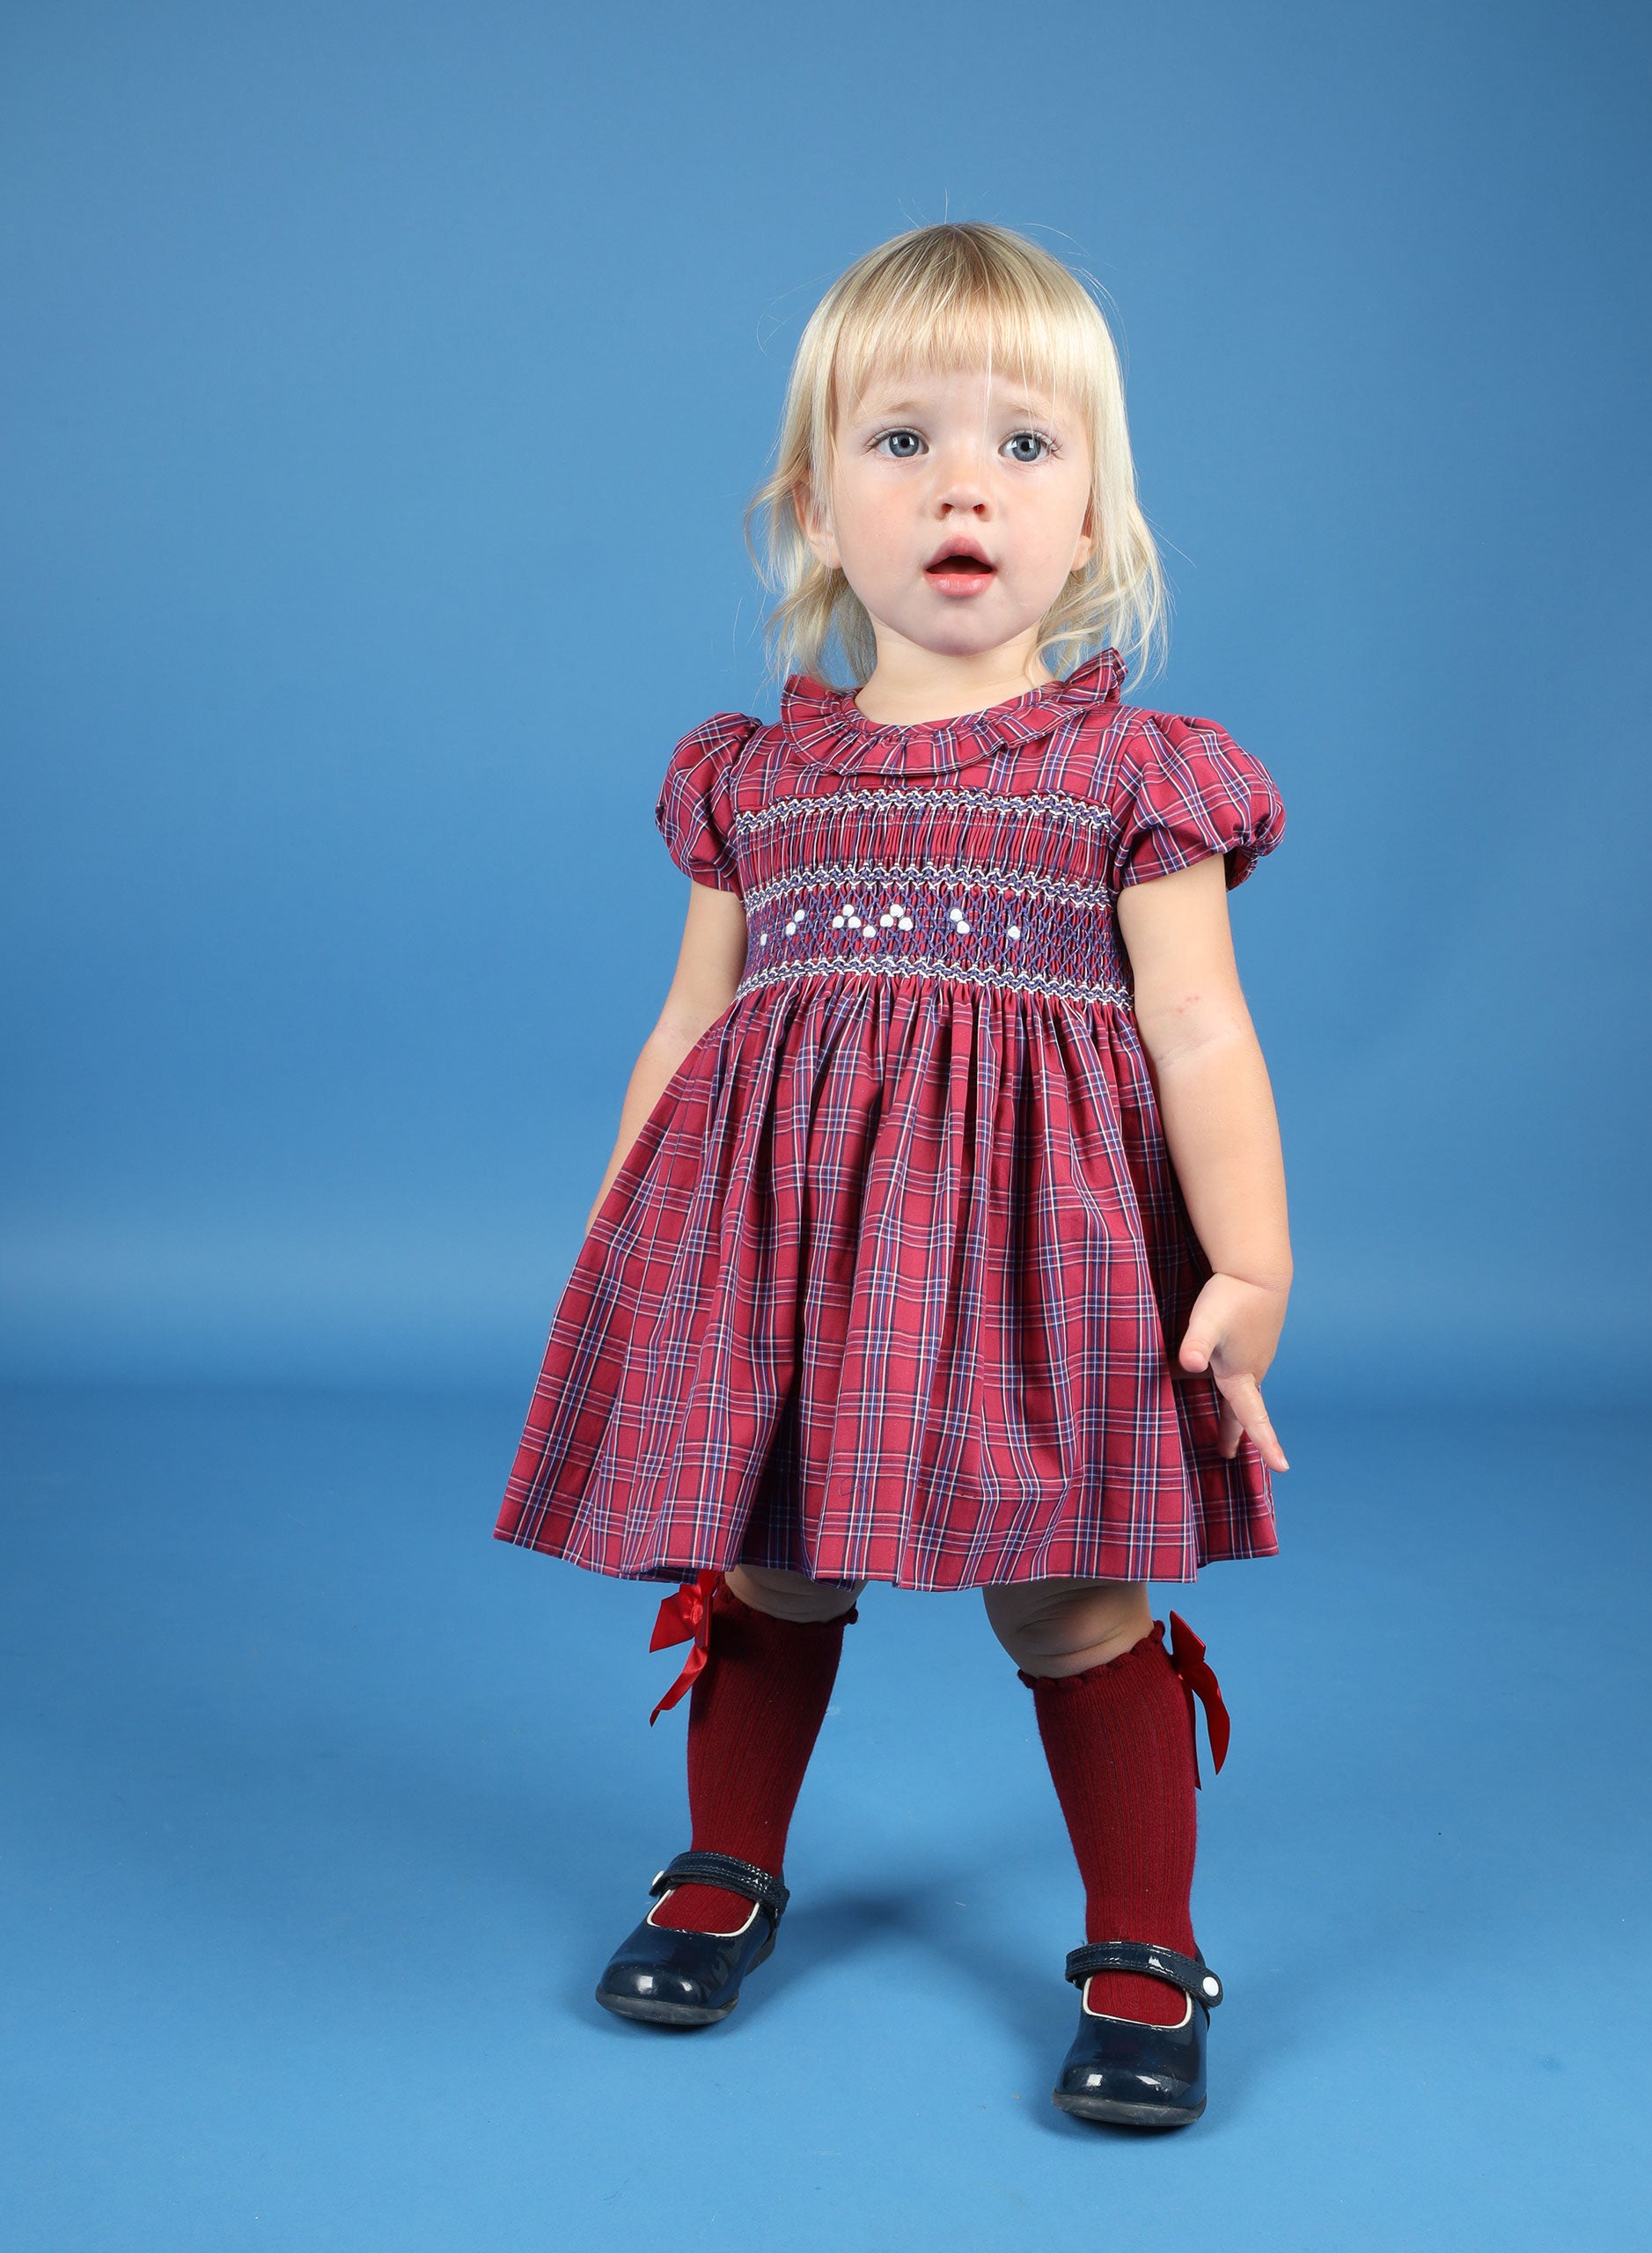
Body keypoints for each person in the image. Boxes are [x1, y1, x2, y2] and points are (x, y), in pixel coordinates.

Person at [493, 221, 1291, 2132]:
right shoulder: (754, 778)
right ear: (810, 501)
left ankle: (1143, 1936)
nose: (961, 484)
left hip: (1042, 1270)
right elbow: (691, 1028)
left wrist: (1248, 1261)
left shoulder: (1135, 775)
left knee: (1069, 1591)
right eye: (901, 439)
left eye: (1024, 446)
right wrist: (628, 1230)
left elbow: (1199, 1034)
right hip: (783, 1258)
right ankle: (723, 1864)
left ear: (1093, 507)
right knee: (768, 1547)